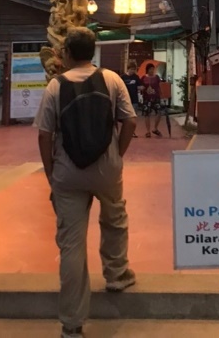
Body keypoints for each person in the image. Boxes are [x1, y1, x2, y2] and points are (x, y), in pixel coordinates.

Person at [36, 28, 137, 338]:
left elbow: (44, 134)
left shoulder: (55, 86)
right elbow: (129, 120)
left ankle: (72, 323)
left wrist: (52, 173)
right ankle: (117, 274)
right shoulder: (112, 79)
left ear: (67, 52)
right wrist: (117, 155)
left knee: (71, 243)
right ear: (92, 51)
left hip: (67, 171)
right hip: (106, 166)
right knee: (114, 218)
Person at [140, 63, 163, 138]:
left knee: (159, 112)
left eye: (153, 69)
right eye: (150, 69)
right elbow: (141, 86)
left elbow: (159, 87)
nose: (152, 71)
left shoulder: (156, 77)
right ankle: (148, 131)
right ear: (147, 70)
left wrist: (161, 95)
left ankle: (155, 128)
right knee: (147, 114)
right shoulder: (143, 78)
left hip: (156, 97)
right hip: (147, 98)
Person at [120, 61, 140, 138]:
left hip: (134, 99)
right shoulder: (123, 77)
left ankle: (132, 131)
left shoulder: (136, 77)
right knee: (126, 117)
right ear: (128, 69)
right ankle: (125, 132)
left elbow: (140, 85)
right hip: (125, 100)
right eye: (131, 69)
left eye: (134, 69)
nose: (133, 71)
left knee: (133, 117)